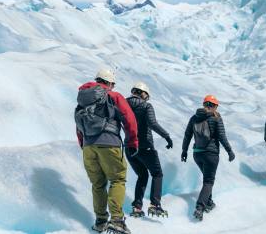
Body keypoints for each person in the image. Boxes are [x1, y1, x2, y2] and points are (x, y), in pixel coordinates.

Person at [74, 69, 138, 234]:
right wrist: (132, 141)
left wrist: (84, 144)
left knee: (98, 183)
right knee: (117, 180)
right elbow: (129, 118)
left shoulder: (83, 99)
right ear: (109, 83)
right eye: (113, 84)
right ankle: (116, 220)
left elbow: (79, 125)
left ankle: (101, 221)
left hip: (89, 146)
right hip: (110, 144)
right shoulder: (113, 96)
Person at [181, 95, 235, 221]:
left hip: (197, 154)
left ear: (204, 104)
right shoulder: (216, 118)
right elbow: (222, 136)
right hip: (211, 154)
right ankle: (200, 207)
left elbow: (187, 135)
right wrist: (230, 151)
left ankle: (209, 202)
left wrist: (184, 151)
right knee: (208, 181)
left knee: (207, 179)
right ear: (214, 106)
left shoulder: (194, 117)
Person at [125, 81, 173, 218]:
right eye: (146, 95)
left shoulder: (123, 105)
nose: (147, 98)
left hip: (129, 148)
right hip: (145, 147)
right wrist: (166, 136)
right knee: (157, 174)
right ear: (143, 93)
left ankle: (137, 207)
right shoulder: (146, 106)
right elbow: (152, 123)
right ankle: (155, 205)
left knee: (142, 175)